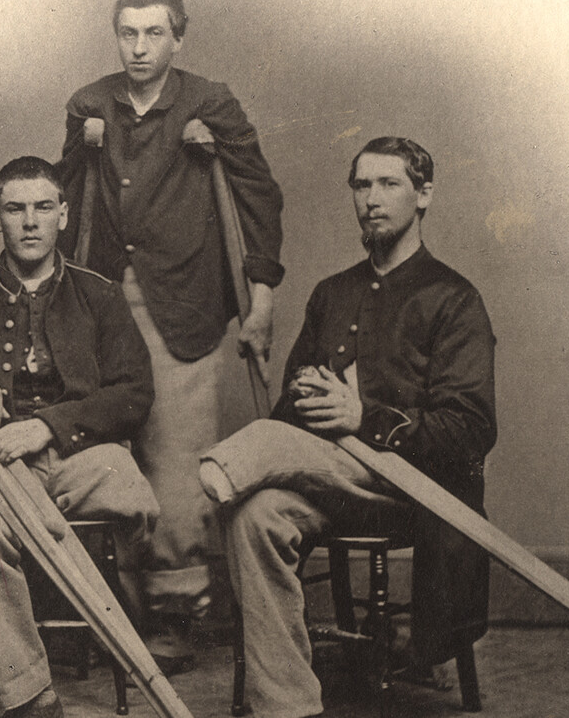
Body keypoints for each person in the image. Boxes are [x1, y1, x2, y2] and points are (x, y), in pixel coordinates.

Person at [199, 137, 496, 718]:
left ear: (424, 195)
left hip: (415, 493)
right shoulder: (332, 293)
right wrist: (311, 403)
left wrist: (363, 416)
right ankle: (287, 704)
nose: (372, 200)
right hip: (334, 486)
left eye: (389, 184)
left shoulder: (454, 298)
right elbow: (291, 403)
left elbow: (471, 429)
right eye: (362, 185)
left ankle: (225, 464)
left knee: (265, 447)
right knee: (255, 516)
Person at [57, 0, 286, 668]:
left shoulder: (209, 102)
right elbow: (56, 197)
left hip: (181, 300)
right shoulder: (89, 103)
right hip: (96, 297)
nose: (138, 47)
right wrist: (80, 151)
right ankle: (109, 605)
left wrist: (263, 298)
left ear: (177, 39)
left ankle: (179, 609)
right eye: (127, 33)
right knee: (101, 445)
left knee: (176, 456)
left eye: (154, 33)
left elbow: (258, 194)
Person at [0, 157, 159, 718]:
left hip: (81, 453)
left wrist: (48, 426)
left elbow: (134, 393)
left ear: (63, 215)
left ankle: (126, 616)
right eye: (15, 209)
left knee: (134, 498)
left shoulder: (100, 293)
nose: (30, 221)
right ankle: (30, 693)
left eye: (43, 207)